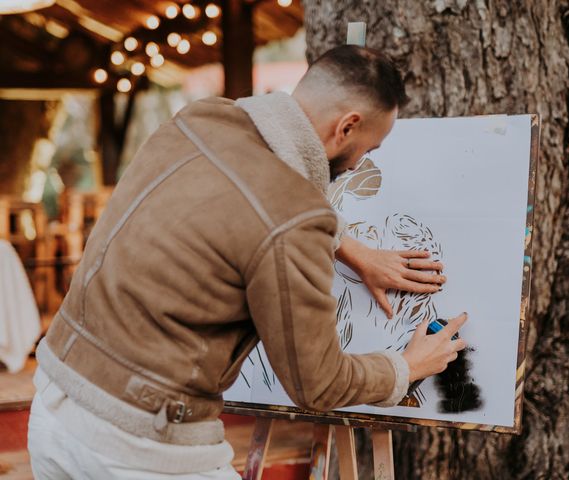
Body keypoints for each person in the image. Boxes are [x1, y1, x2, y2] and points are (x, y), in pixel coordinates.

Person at [28, 45, 468, 479]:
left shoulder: (199, 120)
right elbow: (318, 383)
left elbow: (245, 196)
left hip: (54, 401)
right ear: (347, 127)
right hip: (143, 442)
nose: (360, 164)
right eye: (369, 149)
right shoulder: (295, 219)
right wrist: (406, 367)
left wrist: (346, 244)